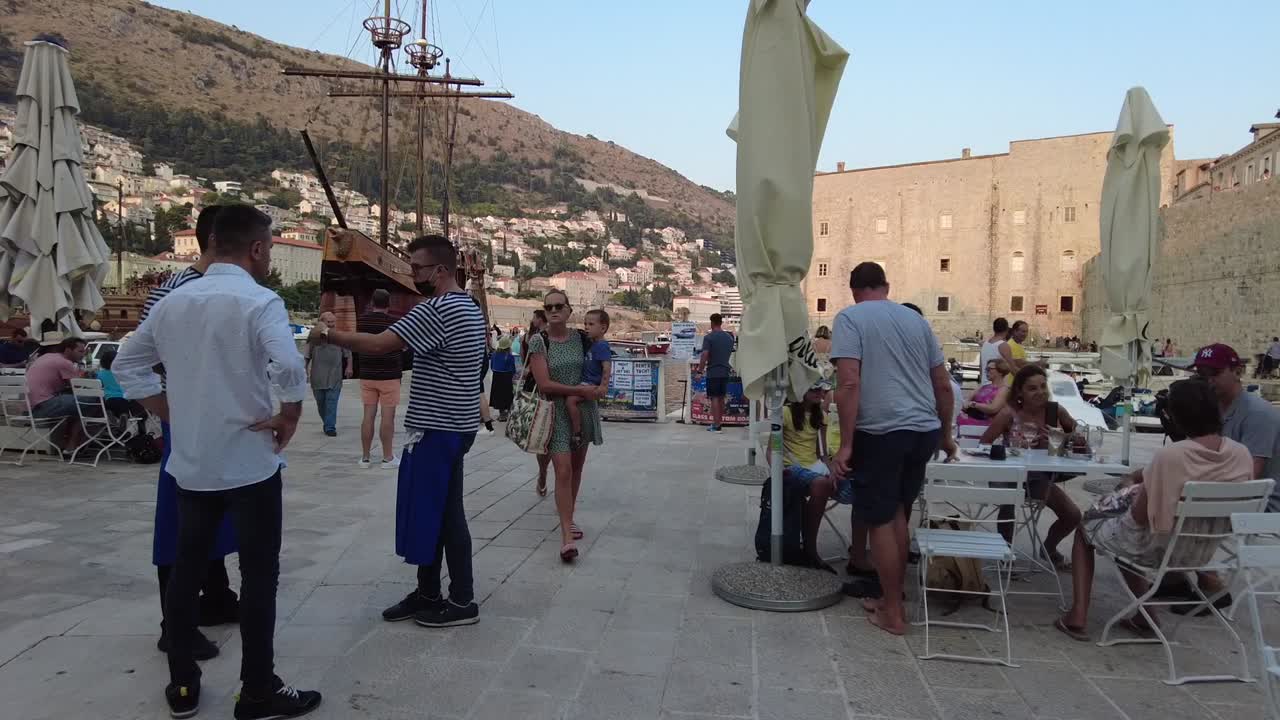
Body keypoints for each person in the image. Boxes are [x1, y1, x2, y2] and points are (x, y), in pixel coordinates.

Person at [114, 205, 321, 719]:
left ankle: (183, 684)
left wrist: (166, 410)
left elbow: (126, 362)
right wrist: (290, 412)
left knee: (186, 571)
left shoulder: (173, 302)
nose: (270, 257)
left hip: (192, 464)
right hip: (249, 465)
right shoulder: (260, 301)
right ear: (255, 249)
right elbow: (290, 362)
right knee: (258, 576)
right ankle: (256, 690)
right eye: (270, 248)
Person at [311, 234, 487, 628]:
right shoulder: (469, 308)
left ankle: (461, 601)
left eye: (417, 267)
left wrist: (327, 333)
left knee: (446, 516)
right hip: (454, 426)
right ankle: (429, 593)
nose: (411, 273)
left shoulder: (439, 309)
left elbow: (377, 345)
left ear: (440, 270)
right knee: (439, 513)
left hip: (437, 429)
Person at [1055, 379, 1253, 641]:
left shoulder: (1172, 456)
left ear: (1177, 415)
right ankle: (1143, 616)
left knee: (1088, 530)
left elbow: (1139, 517)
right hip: (1203, 552)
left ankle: (1078, 614)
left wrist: (1122, 495)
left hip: (1162, 548)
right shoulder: (1240, 454)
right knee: (1119, 533)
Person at [828, 262, 957, 636]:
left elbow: (849, 384)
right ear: (886, 286)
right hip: (924, 431)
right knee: (899, 512)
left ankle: (894, 615)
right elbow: (943, 384)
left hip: (883, 431)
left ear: (854, 290)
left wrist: (847, 445)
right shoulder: (916, 321)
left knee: (881, 519)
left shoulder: (850, 319)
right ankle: (890, 599)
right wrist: (946, 435)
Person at [137, 204, 240, 666]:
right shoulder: (185, 292)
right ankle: (173, 625)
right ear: (221, 241)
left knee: (212, 509)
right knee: (181, 519)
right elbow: (144, 355)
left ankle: (216, 595)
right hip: (193, 422)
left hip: (209, 420)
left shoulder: (177, 289)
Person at [526, 290, 606, 562]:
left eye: (559, 305)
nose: (554, 310)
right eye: (548, 307)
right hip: (556, 411)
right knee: (563, 469)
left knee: (576, 468)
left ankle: (568, 516)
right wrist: (578, 390)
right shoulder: (539, 341)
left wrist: (601, 387)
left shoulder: (583, 338)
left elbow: (603, 363)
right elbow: (544, 384)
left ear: (570, 310)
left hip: (582, 410)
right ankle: (566, 538)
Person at [980, 365, 1083, 569]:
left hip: (1038, 478)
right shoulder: (1009, 414)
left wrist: (1063, 437)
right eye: (1032, 388)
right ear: (1020, 391)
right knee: (1009, 503)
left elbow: (1079, 436)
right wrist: (1012, 449)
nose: (1040, 392)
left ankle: (1049, 549)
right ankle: (1005, 556)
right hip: (1010, 476)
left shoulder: (1055, 410)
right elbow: (983, 444)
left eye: (1043, 386)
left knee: (1073, 515)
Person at [1189, 344, 1280, 511]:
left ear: (1237, 372)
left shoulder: (1258, 414)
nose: (1208, 380)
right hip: (1224, 498)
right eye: (1202, 375)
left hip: (1261, 508)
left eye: (1214, 373)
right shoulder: (1210, 409)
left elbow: (1248, 476)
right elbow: (1187, 458)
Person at [773, 380, 850, 570]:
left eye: (821, 389)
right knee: (821, 486)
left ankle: (858, 553)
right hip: (791, 466)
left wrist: (833, 470)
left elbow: (822, 453)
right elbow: (773, 448)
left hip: (814, 466)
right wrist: (774, 468)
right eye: (814, 388)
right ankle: (810, 550)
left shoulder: (821, 416)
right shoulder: (784, 413)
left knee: (859, 486)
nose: (819, 392)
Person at [356, 288, 404, 469]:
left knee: (368, 415)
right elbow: (403, 346)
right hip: (389, 374)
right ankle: (387, 457)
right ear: (388, 304)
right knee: (387, 416)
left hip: (367, 372)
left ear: (371, 303)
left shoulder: (361, 321)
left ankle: (365, 457)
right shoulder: (395, 323)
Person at [25, 334, 88, 451]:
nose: (83, 354)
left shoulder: (45, 357)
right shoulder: (64, 362)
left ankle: (71, 442)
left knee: (78, 406)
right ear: (68, 350)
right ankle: (75, 442)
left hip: (28, 408)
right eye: (80, 351)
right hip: (41, 407)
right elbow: (79, 386)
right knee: (91, 401)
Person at [565, 309, 612, 447]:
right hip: (586, 382)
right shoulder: (593, 344)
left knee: (570, 401)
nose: (586, 327)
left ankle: (577, 432)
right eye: (585, 324)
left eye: (591, 324)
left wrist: (603, 386)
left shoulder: (602, 346)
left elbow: (607, 367)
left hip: (590, 384)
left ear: (603, 328)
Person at [304, 311, 351, 437]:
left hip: (335, 375)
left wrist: (349, 367)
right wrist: (304, 370)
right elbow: (307, 355)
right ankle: (327, 423)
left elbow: (348, 353)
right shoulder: (313, 336)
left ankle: (330, 427)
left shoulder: (339, 336)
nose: (332, 325)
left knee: (331, 402)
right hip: (317, 376)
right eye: (329, 322)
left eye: (333, 322)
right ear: (322, 322)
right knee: (321, 403)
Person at [698, 313, 735, 432]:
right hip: (725, 370)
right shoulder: (729, 338)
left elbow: (704, 354)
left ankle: (716, 424)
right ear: (721, 322)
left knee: (714, 397)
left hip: (713, 371)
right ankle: (720, 422)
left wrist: (699, 371)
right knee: (721, 398)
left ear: (712, 323)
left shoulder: (709, 338)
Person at [95, 349, 147, 422]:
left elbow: (98, 386)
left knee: (117, 409)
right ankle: (126, 417)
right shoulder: (122, 373)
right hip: (124, 398)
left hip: (109, 400)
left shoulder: (100, 374)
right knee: (135, 408)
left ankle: (115, 416)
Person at [959, 359, 1011, 428]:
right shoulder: (983, 386)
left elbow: (993, 408)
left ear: (1000, 371)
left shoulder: (1004, 389)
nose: (986, 371)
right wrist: (967, 404)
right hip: (971, 420)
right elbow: (966, 401)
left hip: (987, 425)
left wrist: (974, 404)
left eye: (989, 369)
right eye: (986, 369)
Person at [489, 336, 517, 422]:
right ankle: (507, 412)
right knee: (507, 395)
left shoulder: (494, 355)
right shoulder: (510, 356)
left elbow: (492, 367)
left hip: (497, 377)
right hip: (507, 378)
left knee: (498, 395)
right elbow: (513, 369)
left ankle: (502, 414)